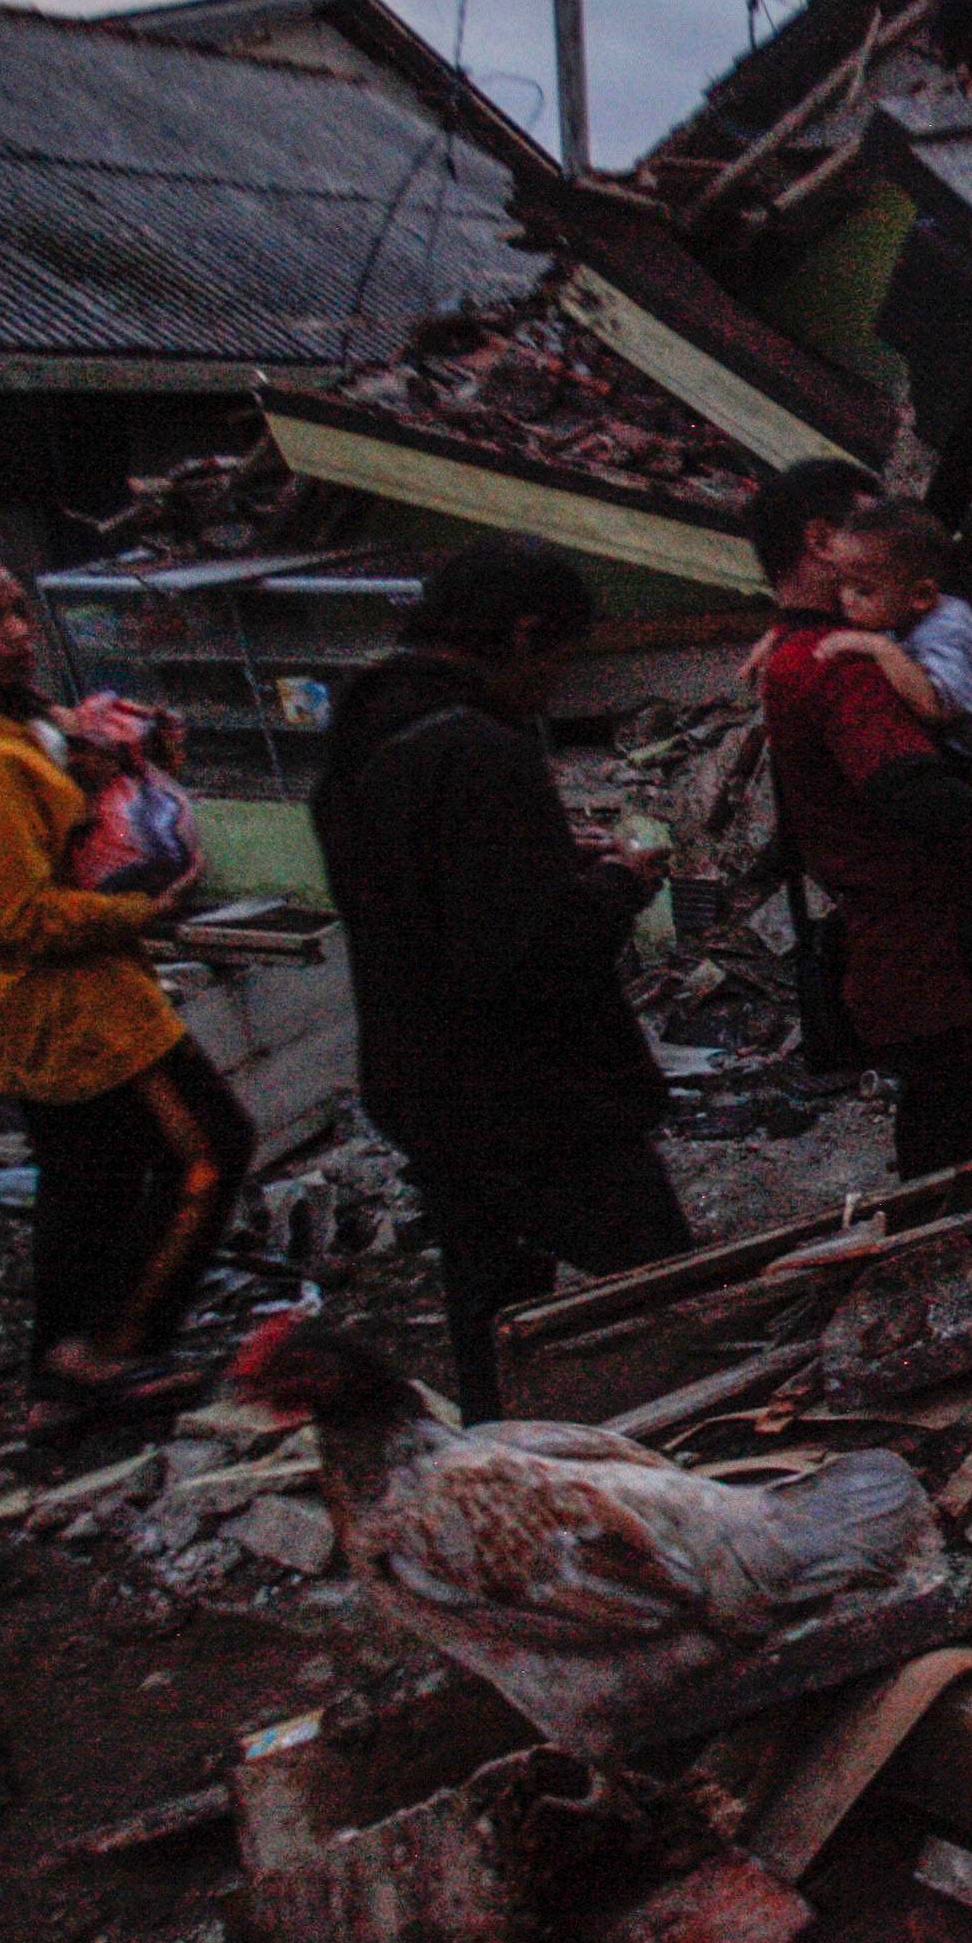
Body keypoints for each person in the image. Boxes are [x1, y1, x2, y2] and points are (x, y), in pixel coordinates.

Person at [309, 537, 693, 1424]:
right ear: (523, 636)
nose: (556, 683)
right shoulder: (480, 750)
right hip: (532, 1093)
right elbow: (526, 955)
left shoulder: (370, 729)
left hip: (423, 1075)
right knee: (665, 1287)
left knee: (489, 1296)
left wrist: (552, 858)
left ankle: (499, 1453)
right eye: (560, 658)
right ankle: (691, 1443)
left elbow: (429, 892)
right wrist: (616, 884)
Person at [0, 550, 250, 1433]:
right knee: (209, 1153)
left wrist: (105, 772)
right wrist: (142, 910)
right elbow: (20, 915)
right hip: (81, 1013)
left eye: (17, 610)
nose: (17, 633)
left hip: (51, 1009)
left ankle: (62, 1372)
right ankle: (111, 1355)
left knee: (93, 1182)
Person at [745, 460, 972, 1176]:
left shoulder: (800, 651)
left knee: (949, 1121)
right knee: (963, 1136)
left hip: (904, 945)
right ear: (823, 541)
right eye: (868, 530)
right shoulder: (842, 664)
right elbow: (912, 792)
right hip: (933, 949)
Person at [808, 499, 972, 800]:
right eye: (842, 583)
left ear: (920, 595)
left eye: (863, 590)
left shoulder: (950, 630)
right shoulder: (895, 612)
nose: (846, 599)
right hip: (963, 755)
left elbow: (933, 706)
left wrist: (878, 647)